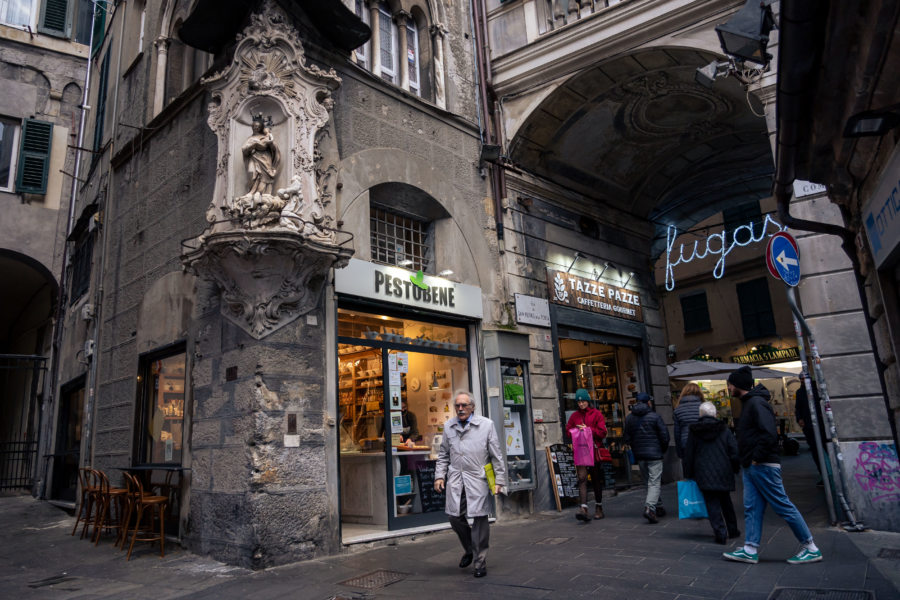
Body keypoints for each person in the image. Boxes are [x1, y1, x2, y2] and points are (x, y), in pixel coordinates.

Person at [722, 366, 823, 565]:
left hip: (762, 464)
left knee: (783, 505)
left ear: (738, 385)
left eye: (730, 384)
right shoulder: (750, 403)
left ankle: (810, 547)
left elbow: (768, 433)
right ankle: (750, 549)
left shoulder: (756, 403)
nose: (729, 387)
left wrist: (756, 458)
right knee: (752, 507)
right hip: (753, 465)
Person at [434, 391, 506, 578]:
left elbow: (496, 455)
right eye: (457, 405)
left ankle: (480, 562)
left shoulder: (486, 425)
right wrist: (439, 476)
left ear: (472, 407)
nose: (460, 408)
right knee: (454, 516)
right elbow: (443, 455)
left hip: (477, 478)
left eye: (464, 405)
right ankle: (470, 549)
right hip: (456, 478)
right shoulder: (449, 426)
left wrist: (499, 481)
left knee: (480, 520)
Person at [684, 401, 741, 544]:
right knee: (726, 501)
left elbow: (689, 454)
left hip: (703, 473)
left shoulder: (694, 431)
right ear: (715, 414)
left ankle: (720, 532)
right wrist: (735, 467)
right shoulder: (724, 429)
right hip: (724, 471)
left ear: (700, 415)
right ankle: (733, 530)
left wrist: (688, 473)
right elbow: (734, 450)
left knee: (712, 503)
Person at [624, 392, 670, 524]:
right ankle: (650, 508)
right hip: (655, 454)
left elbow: (627, 438)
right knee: (654, 482)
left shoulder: (629, 418)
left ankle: (658, 506)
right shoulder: (655, 416)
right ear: (648, 403)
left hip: (640, 455)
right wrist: (662, 449)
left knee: (648, 482)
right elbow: (665, 436)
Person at [565, 388, 608, 521]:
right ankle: (583, 508)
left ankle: (599, 507)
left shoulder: (596, 414)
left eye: (583, 401)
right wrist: (574, 431)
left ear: (587, 401)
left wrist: (589, 430)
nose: (581, 404)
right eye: (579, 402)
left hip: (594, 450)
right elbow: (568, 430)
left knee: (595, 479)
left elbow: (603, 432)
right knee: (582, 478)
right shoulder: (574, 416)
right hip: (580, 451)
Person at [794, 376, 826, 486]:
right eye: (801, 379)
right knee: (816, 452)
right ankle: (823, 474)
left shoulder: (817, 389)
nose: (802, 381)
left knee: (825, 449)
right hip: (809, 426)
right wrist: (799, 418)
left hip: (821, 426)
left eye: (803, 378)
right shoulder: (799, 392)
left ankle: (830, 473)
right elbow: (797, 407)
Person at [242, 114, 280, 198]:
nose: (256, 127)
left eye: (258, 126)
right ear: (252, 127)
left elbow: (274, 149)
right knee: (251, 172)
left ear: (261, 127)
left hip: (265, 159)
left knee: (265, 176)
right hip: (254, 158)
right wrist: (253, 145)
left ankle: (262, 194)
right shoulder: (250, 138)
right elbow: (244, 149)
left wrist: (270, 143)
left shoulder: (266, 137)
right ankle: (252, 191)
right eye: (254, 126)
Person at [673, 383, 703, 469]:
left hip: (686, 444)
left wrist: (679, 452)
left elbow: (677, 433)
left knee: (690, 471)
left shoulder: (678, 410)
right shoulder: (704, 406)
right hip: (703, 442)